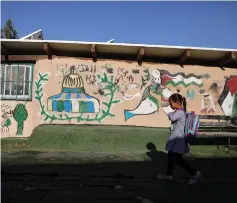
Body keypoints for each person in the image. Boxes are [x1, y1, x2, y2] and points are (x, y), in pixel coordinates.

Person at [157, 93, 201, 184]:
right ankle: (169, 175)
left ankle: (194, 173)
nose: (170, 105)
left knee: (178, 159)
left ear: (177, 102)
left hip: (177, 139)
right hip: (176, 139)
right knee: (171, 156)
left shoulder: (180, 112)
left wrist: (169, 114)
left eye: (171, 103)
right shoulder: (181, 111)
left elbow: (172, 118)